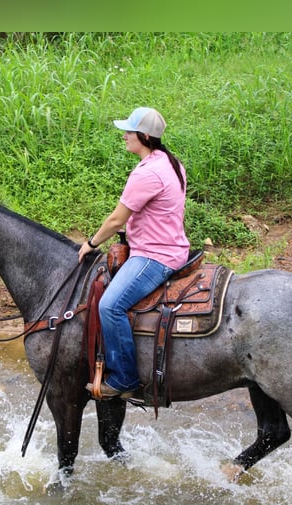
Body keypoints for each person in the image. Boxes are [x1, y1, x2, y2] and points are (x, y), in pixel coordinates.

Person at [78, 106, 190, 399]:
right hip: (169, 245)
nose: (124, 136)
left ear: (143, 135)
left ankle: (125, 378)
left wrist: (90, 244)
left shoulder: (149, 173)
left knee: (110, 306)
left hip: (155, 255)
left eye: (129, 131)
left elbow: (116, 219)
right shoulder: (170, 162)